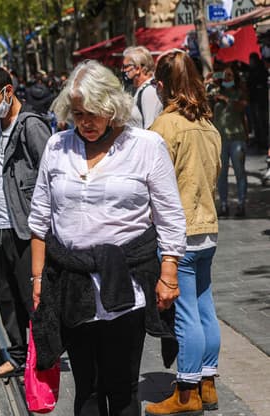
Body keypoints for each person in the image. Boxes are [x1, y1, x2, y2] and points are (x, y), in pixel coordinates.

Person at [29, 60, 186, 415]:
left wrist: (169, 273)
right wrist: (38, 278)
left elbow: (170, 215)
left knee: (122, 386)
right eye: (78, 113)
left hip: (127, 285)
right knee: (86, 385)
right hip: (72, 284)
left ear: (112, 107)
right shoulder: (57, 147)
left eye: (94, 114)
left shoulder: (146, 146)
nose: (85, 122)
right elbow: (39, 218)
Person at [144, 48, 222, 416]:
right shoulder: (208, 125)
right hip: (207, 228)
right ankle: (207, 384)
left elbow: (149, 182)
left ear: (162, 86)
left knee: (186, 313)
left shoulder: (165, 126)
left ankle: (186, 391)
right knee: (205, 307)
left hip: (180, 232)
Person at [0, 66, 51, 379]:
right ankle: (17, 354)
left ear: (8, 91)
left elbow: (51, 170)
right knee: (5, 294)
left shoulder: (31, 125)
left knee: (30, 295)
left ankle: (43, 356)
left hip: (24, 224)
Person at [212, 66, 248, 217]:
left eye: (230, 75)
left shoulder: (239, 93)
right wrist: (210, 79)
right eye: (224, 75)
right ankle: (224, 204)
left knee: (239, 172)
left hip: (237, 138)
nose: (227, 77)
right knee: (222, 174)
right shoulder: (214, 93)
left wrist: (227, 99)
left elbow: (242, 106)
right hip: (220, 139)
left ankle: (241, 204)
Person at [122, 46, 163, 129]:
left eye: (125, 67)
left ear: (137, 68)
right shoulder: (138, 89)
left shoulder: (149, 91)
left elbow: (150, 127)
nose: (122, 70)